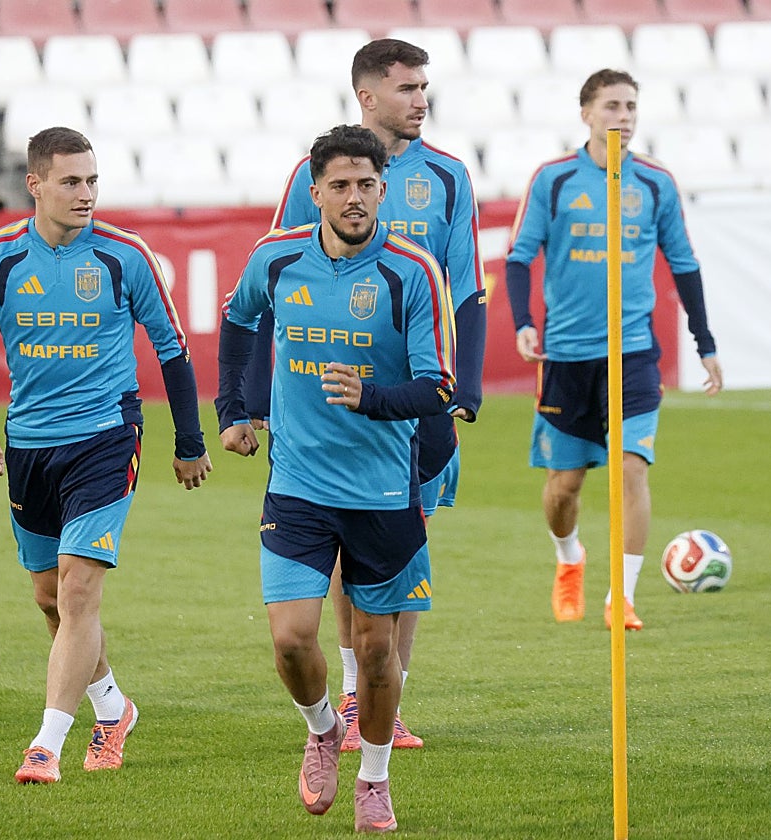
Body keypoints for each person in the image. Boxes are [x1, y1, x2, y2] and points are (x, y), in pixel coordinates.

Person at [0, 126, 212, 784]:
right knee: (49, 599)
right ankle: (113, 707)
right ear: (35, 186)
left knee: (78, 588)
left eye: (92, 180)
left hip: (106, 436)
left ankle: (47, 744)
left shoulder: (126, 256)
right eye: (71, 181)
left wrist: (188, 442)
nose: (86, 193)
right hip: (31, 444)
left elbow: (171, 351)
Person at [216, 124, 456, 833]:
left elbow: (437, 388)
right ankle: (322, 729)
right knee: (292, 641)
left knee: (378, 650)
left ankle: (374, 780)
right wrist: (236, 410)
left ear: (384, 189)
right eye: (341, 185)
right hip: (296, 482)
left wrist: (371, 397)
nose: (355, 198)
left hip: (383, 489)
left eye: (367, 185)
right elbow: (235, 324)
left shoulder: (411, 272)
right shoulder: (276, 259)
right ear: (314, 192)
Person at [252, 37, 486, 751]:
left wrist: (464, 389)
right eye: (408, 88)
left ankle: (383, 699)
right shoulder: (314, 173)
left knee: (395, 555)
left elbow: (467, 288)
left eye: (424, 88)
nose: (421, 100)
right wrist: (253, 404)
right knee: (342, 552)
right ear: (368, 95)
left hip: (416, 403)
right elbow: (273, 290)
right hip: (328, 402)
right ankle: (351, 703)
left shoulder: (447, 176)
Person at [505, 69, 723, 632]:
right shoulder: (554, 179)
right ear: (586, 113)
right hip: (567, 357)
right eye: (612, 106)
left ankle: (620, 598)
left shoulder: (655, 183)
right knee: (564, 488)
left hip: (633, 354)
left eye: (630, 107)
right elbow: (517, 256)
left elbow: (685, 265)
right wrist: (526, 323)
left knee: (630, 469)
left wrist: (705, 344)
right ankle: (569, 558)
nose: (623, 117)